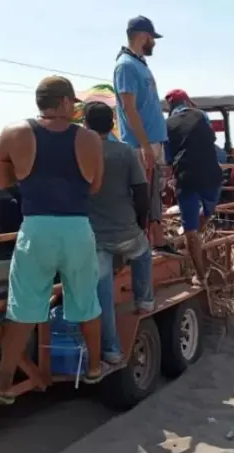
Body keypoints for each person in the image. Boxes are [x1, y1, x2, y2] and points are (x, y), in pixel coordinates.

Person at [0, 76, 105, 404]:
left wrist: (25, 177)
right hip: (76, 228)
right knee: (86, 303)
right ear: (66, 102)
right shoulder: (90, 139)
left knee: (23, 309)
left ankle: (2, 382)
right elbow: (95, 186)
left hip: (36, 228)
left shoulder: (14, 133)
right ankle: (95, 367)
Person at [83, 101, 154, 364]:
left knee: (104, 293)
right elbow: (141, 192)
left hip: (94, 236)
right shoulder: (125, 152)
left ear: (86, 125)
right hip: (125, 231)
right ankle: (144, 300)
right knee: (144, 252)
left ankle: (111, 350)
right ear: (112, 123)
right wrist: (141, 222)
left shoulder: (79, 152)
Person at [113, 15, 177, 255]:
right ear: (142, 36)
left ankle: (157, 239)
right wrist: (144, 145)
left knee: (151, 194)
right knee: (141, 194)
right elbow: (129, 109)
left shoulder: (137, 64)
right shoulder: (126, 66)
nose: (154, 43)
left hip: (149, 141)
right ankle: (141, 244)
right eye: (152, 38)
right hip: (141, 143)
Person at [165, 90, 223, 286]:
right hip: (212, 176)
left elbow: (167, 157)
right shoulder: (201, 115)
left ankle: (200, 276)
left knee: (190, 231)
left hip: (186, 178)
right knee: (208, 210)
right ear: (188, 101)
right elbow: (211, 140)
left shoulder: (167, 125)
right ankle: (200, 225)